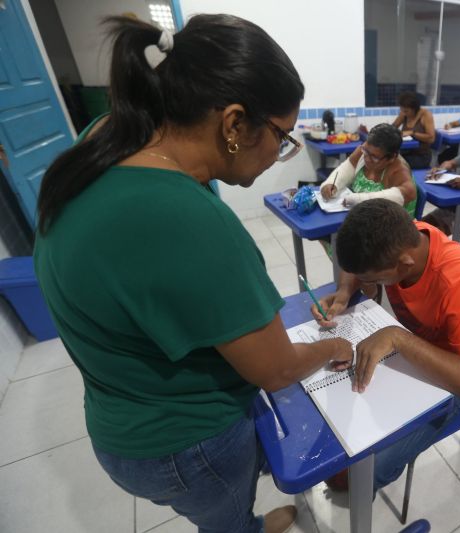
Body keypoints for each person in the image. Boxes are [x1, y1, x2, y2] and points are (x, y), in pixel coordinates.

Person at [33, 15, 355, 533]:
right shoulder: (186, 219)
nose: (281, 153)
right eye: (282, 136)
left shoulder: (107, 138)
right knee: (225, 523)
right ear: (233, 123)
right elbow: (274, 371)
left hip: (119, 417)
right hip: (184, 445)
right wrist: (332, 349)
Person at [311, 199, 460, 493]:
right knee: (337, 428)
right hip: (411, 356)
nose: (368, 285)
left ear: (404, 265)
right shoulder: (406, 236)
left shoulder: (458, 281)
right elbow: (358, 268)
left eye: (374, 280)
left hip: (453, 380)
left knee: (359, 475)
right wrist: (345, 290)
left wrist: (398, 337)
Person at [319, 123, 417, 216]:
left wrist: (358, 199)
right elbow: (346, 169)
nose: (367, 158)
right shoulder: (363, 151)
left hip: (390, 226)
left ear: (392, 158)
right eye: (365, 150)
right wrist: (332, 184)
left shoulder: (398, 170)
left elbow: (410, 193)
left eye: (374, 157)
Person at [392, 91, 436, 169]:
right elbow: (393, 127)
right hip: (406, 152)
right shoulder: (404, 114)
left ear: (414, 109)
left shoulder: (426, 115)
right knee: (387, 159)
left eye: (406, 111)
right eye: (402, 110)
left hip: (421, 156)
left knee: (393, 163)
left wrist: (412, 133)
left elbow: (431, 138)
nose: (403, 113)